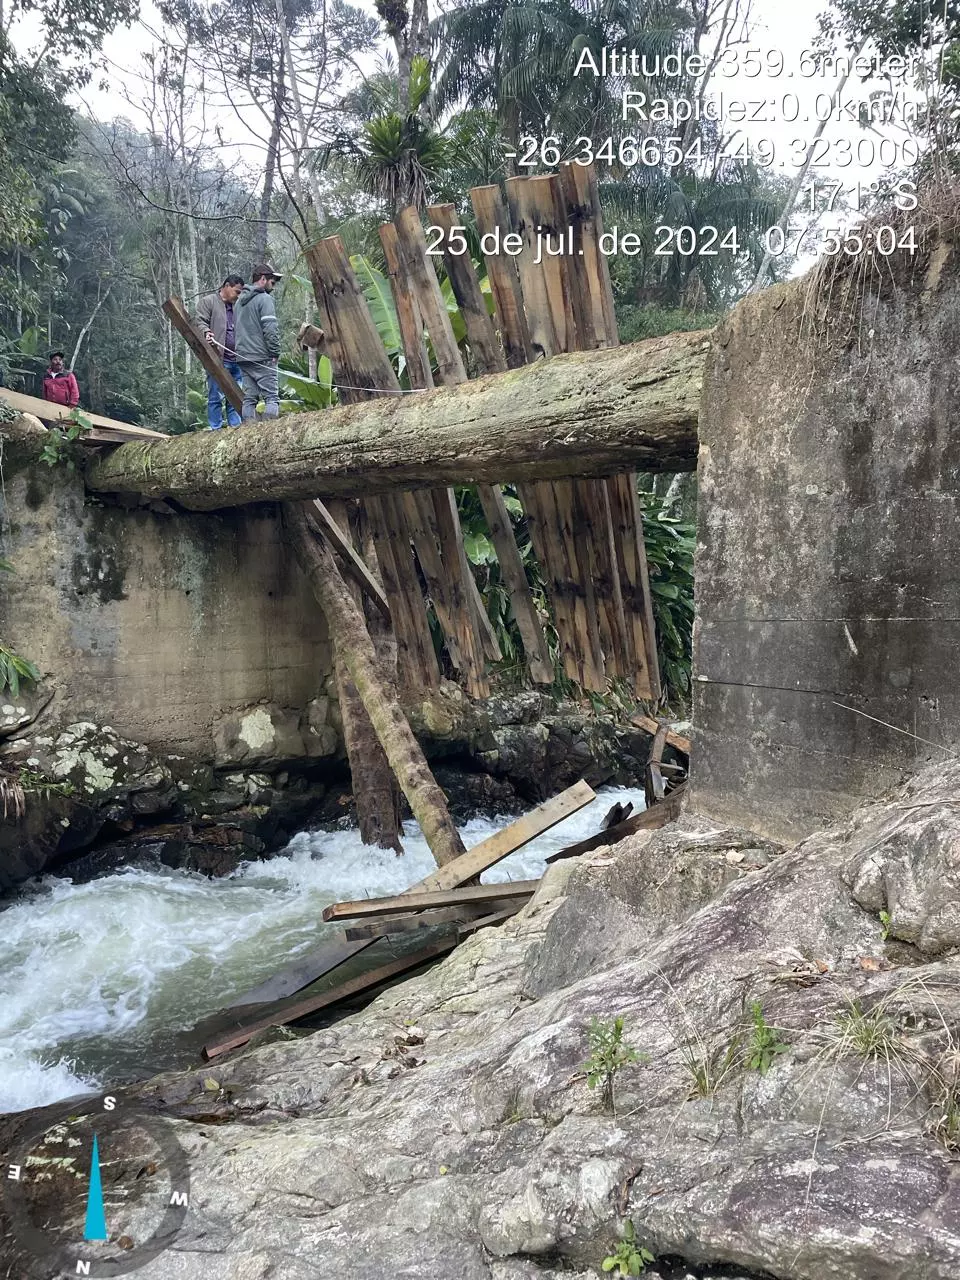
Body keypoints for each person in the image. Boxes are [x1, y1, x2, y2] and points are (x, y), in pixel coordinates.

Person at [195, 275, 245, 430]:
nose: (238, 295)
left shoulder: (237, 306)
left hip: (237, 360)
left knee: (235, 396)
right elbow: (199, 321)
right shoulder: (209, 301)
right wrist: (206, 332)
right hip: (217, 358)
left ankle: (235, 428)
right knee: (216, 396)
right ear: (227, 286)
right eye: (237, 291)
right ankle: (215, 428)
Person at [234, 263, 282, 423]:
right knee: (272, 398)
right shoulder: (265, 299)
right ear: (263, 279)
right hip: (262, 357)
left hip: (243, 357)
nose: (273, 287)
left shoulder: (239, 303)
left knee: (249, 398)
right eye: (272, 283)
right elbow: (270, 329)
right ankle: (270, 432)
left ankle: (248, 432)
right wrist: (274, 352)